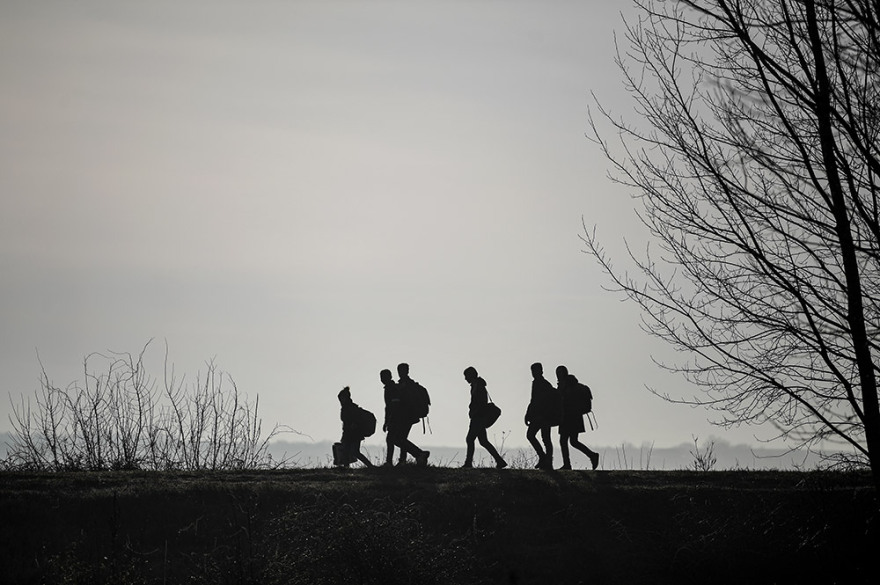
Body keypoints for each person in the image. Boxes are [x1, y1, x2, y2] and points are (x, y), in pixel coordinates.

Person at [461, 366, 507, 469]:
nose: (465, 379)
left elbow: (480, 402)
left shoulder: (478, 385)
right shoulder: (477, 384)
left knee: (470, 439)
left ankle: (468, 463)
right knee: (483, 441)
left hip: (478, 417)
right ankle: (500, 461)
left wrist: (474, 411)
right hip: (478, 416)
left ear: (471, 375)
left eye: (466, 376)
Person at [557, 366, 600, 470]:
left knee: (565, 441)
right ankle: (592, 455)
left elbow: (565, 402)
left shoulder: (567, 386)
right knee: (573, 441)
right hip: (574, 417)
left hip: (569, 417)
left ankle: (568, 464)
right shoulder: (571, 384)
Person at [390, 363, 430, 467]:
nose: (400, 373)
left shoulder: (405, 386)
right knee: (402, 438)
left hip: (406, 416)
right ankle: (405, 459)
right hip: (410, 416)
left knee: (398, 439)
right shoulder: (411, 385)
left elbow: (401, 402)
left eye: (401, 371)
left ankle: (419, 454)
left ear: (406, 371)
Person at [525, 362, 560, 470]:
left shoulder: (544, 384)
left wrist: (538, 415)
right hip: (537, 416)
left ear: (541, 371)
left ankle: (547, 461)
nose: (533, 373)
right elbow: (533, 401)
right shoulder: (536, 383)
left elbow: (543, 402)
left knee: (545, 439)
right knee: (533, 436)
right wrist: (528, 414)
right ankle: (544, 458)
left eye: (535, 371)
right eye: (532, 371)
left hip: (543, 417)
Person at [337, 386, 374, 468]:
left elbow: (349, 422)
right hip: (352, 434)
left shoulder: (349, 408)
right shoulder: (350, 407)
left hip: (353, 434)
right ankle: (347, 467)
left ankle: (370, 466)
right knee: (350, 452)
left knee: (353, 452)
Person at [380, 368, 406, 466]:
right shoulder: (391, 387)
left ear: (389, 377)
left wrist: (388, 420)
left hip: (396, 418)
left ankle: (390, 462)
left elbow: (392, 406)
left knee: (391, 439)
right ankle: (400, 460)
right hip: (396, 417)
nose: (382, 379)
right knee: (398, 439)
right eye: (381, 377)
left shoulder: (391, 388)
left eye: (383, 377)